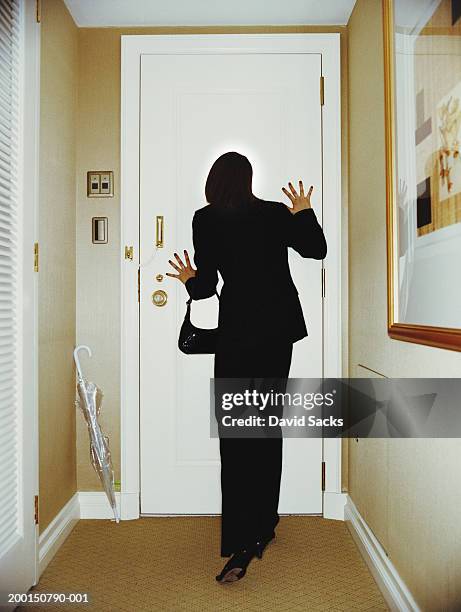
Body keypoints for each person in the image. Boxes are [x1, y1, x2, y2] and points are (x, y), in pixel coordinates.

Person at [166, 151, 327, 583]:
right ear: (249, 179)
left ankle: (241, 538)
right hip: (277, 333)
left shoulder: (206, 219)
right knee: (267, 428)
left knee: (237, 436)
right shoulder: (276, 213)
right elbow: (317, 250)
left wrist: (187, 279)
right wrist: (305, 211)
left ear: (214, 182)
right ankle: (264, 528)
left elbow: (206, 289)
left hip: (237, 337)